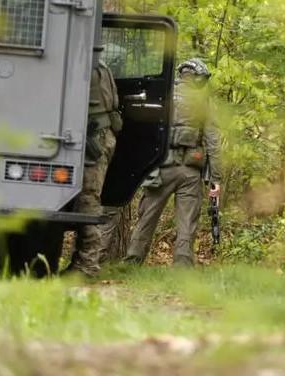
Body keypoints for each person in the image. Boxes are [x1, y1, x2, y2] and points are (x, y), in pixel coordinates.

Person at [125, 58, 221, 267]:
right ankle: (183, 265)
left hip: (161, 167)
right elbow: (213, 141)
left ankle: (132, 261)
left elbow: (144, 133)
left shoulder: (163, 94)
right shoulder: (203, 102)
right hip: (190, 170)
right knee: (187, 221)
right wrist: (216, 178)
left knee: (147, 217)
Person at [65, 57, 122, 276]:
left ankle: (88, 264)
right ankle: (82, 261)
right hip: (99, 136)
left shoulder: (88, 66)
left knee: (88, 198)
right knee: (87, 197)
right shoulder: (99, 64)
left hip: (94, 139)